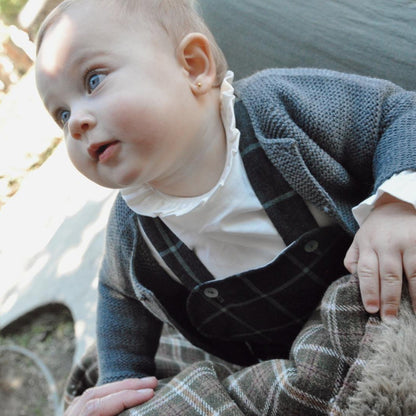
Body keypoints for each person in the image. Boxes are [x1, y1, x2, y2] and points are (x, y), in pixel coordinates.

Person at [35, 0, 416, 414]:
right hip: (272, 359)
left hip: (372, 288)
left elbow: (395, 115)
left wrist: (394, 207)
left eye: (93, 80)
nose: (76, 123)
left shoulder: (278, 108)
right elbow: (118, 294)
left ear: (193, 66)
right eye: (61, 113)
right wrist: (120, 379)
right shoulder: (132, 226)